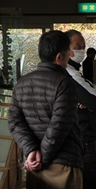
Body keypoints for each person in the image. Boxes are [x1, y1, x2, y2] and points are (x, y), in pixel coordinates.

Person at [8, 30, 83, 189]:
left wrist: (32, 151)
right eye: (67, 55)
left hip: (35, 166)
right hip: (63, 165)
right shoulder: (64, 83)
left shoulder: (22, 83)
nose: (69, 58)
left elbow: (14, 121)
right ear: (58, 57)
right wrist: (42, 158)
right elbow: (59, 126)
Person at [65, 30, 96, 189]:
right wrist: (89, 95)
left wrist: (89, 93)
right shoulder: (69, 72)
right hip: (81, 137)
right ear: (66, 49)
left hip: (79, 137)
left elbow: (92, 95)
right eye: (77, 46)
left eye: (83, 46)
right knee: (90, 180)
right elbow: (95, 101)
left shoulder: (74, 71)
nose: (81, 50)